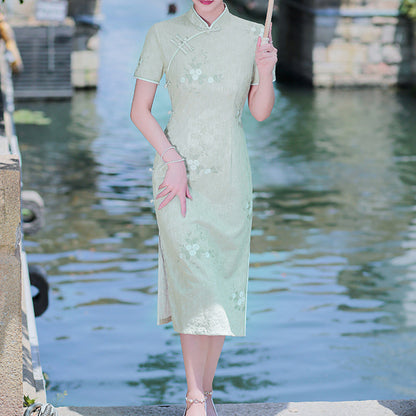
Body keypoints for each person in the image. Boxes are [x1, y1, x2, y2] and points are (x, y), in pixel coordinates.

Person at [130, 1, 277, 415]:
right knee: (193, 280)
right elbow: (139, 111)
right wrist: (173, 162)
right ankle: (194, 397)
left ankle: (207, 394)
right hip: (177, 174)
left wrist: (264, 71)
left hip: (230, 178)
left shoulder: (253, 35)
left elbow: (260, 111)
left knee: (218, 285)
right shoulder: (162, 33)